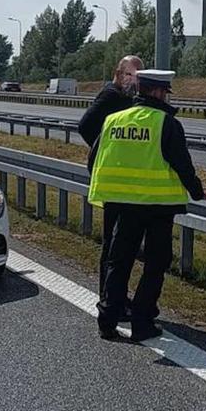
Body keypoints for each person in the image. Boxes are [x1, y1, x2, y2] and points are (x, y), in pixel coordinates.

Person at [87, 69, 206, 341]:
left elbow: (94, 158)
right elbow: (182, 164)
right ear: (158, 92)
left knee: (118, 260)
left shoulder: (113, 120)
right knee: (156, 263)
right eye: (165, 92)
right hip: (158, 206)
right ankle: (142, 321)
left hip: (123, 204)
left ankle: (107, 321)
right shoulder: (166, 123)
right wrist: (198, 192)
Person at [79, 55, 144, 311]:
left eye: (138, 76)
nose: (134, 81)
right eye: (130, 75)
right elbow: (85, 126)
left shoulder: (126, 98)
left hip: (121, 181)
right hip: (112, 179)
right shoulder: (111, 96)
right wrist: (106, 149)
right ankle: (109, 298)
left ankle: (114, 295)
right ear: (119, 74)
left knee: (121, 243)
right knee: (113, 243)